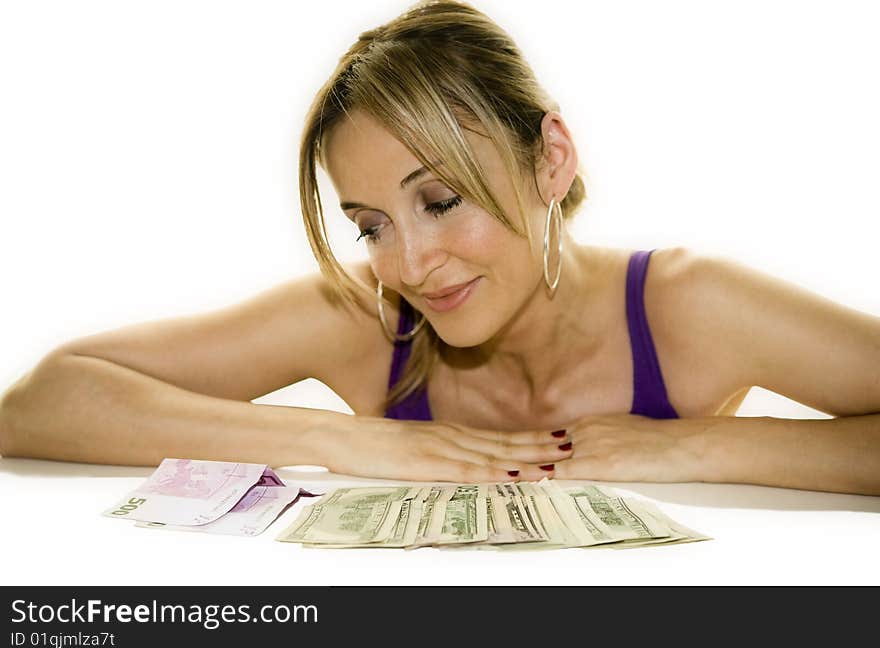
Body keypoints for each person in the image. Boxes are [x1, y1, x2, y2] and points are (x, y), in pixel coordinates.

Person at [1, 0, 878, 495]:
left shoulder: (686, 305)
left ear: (551, 159)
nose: (409, 264)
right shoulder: (364, 314)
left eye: (441, 199)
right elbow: (41, 401)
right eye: (371, 224)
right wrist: (344, 443)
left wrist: (698, 447)